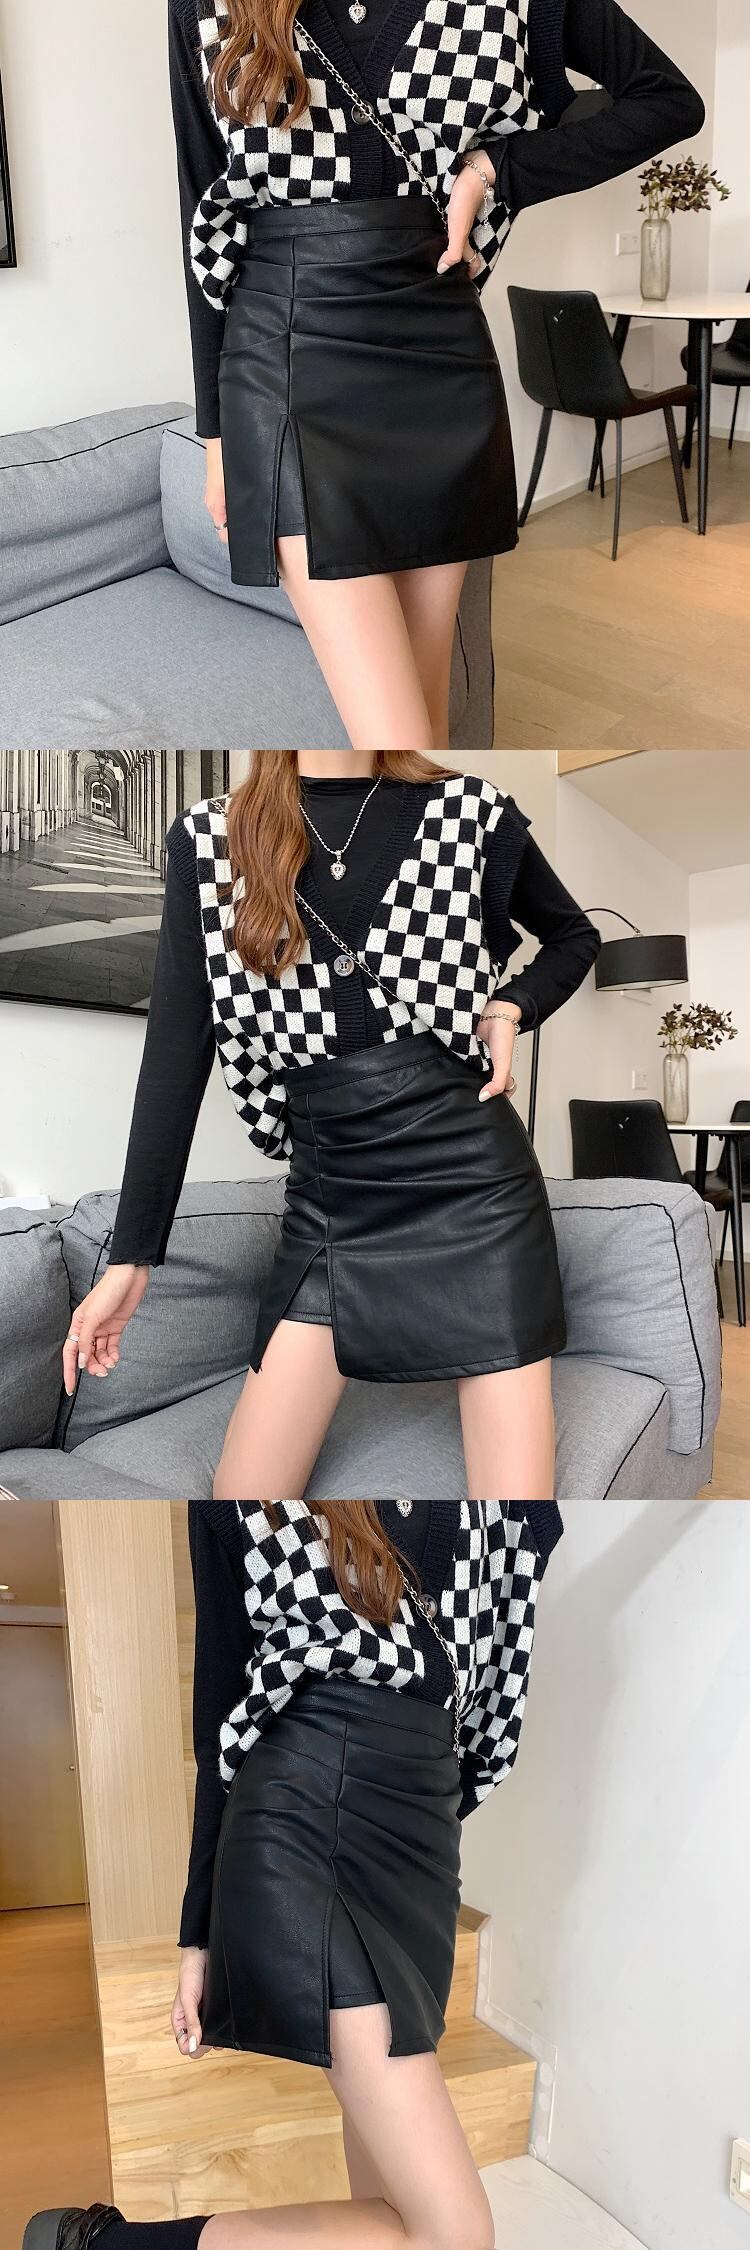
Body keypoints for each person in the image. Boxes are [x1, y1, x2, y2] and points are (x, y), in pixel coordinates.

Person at [22, 1497, 565, 2250]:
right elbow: (220, 1715)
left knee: (394, 2203)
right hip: (302, 1813)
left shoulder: (499, 1516)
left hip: (423, 1846)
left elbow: (493, 1686)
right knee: (453, 2233)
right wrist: (197, 1933)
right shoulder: (260, 1503)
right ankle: (101, 2245)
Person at [61, 749, 601, 1502]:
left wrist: (513, 1006)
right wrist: (131, 1257)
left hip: (474, 1180)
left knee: (511, 1516)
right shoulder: (212, 837)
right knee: (243, 1507)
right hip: (329, 1194)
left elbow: (575, 936)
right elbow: (174, 1057)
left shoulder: (471, 809)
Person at [167, 0, 705, 747]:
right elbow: (200, 202)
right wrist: (217, 437)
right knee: (394, 733)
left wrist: (497, 168)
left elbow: (668, 102)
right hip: (286, 357)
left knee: (422, 738)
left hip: (440, 347)